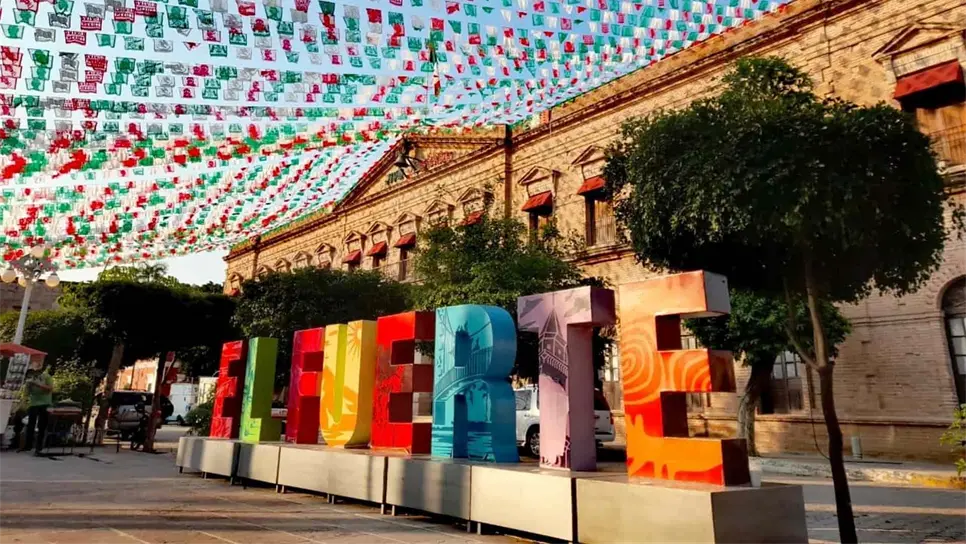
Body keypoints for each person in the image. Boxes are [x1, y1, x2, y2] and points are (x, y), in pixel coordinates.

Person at [21, 358, 53, 455]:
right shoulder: (30, 379)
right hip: (33, 403)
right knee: (30, 425)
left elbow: (50, 389)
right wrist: (24, 400)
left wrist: (37, 384)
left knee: (42, 426)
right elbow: (26, 392)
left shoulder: (46, 377)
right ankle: (28, 445)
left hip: (45, 403)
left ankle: (39, 447)